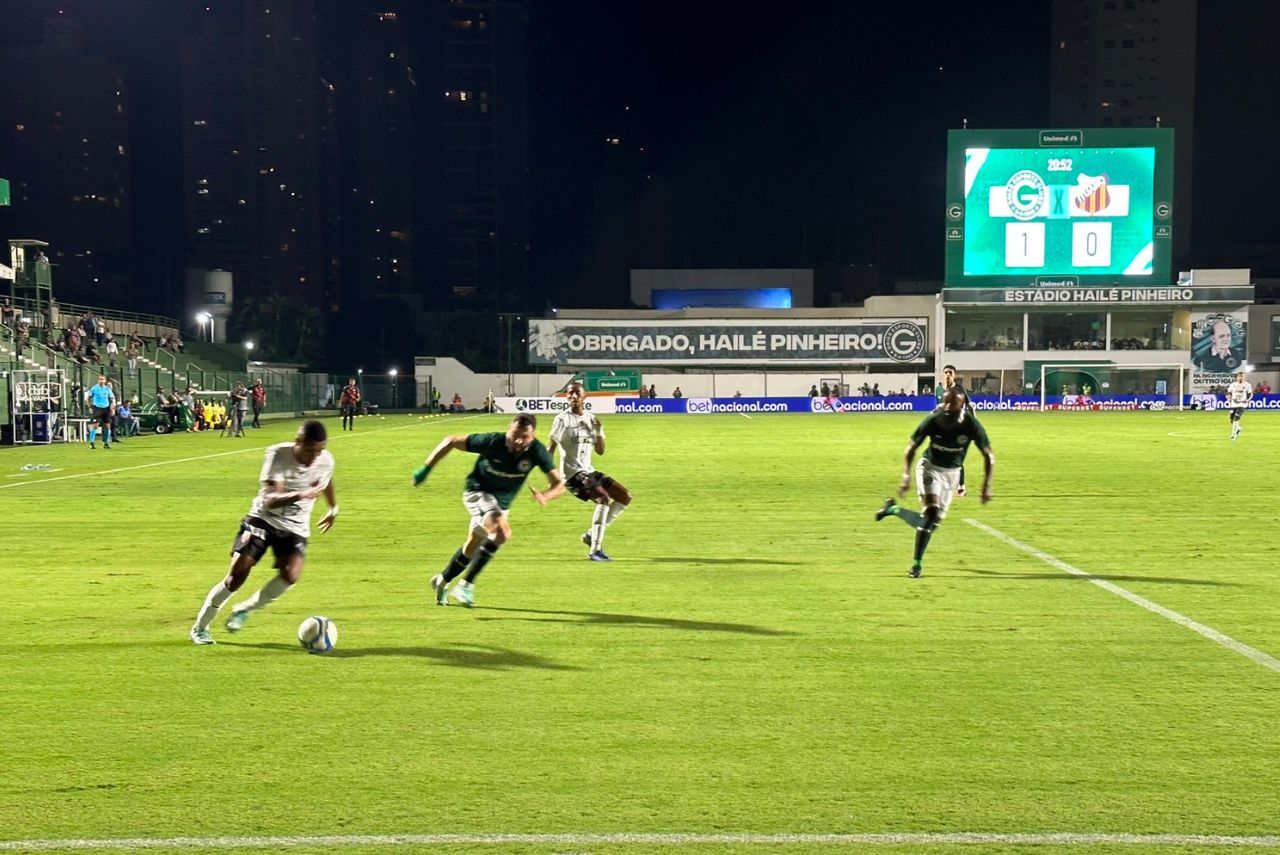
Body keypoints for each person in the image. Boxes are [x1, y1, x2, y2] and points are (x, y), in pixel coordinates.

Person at [189, 420, 338, 644]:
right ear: (297, 442)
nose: (315, 457)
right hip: (263, 519)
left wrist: (333, 507)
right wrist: (301, 494)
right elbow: (270, 500)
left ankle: (244, 609)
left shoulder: (325, 460)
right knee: (236, 576)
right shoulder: (278, 454)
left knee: (290, 575)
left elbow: (325, 479)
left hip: (295, 526)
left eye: (319, 451)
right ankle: (200, 628)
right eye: (310, 450)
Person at [412, 413, 564, 607]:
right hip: (478, 492)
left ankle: (442, 581)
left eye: (524, 437)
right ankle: (466, 585)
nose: (518, 441)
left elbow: (559, 484)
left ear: (532, 436)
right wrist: (424, 470)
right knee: (502, 532)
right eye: (514, 435)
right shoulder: (492, 441)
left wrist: (546, 495)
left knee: (472, 546)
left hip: (501, 504)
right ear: (508, 430)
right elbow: (450, 441)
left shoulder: (537, 451)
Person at [875, 387, 994, 578]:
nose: (947, 406)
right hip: (929, 467)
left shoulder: (971, 424)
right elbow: (911, 447)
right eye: (945, 402)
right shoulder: (934, 420)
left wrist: (986, 485)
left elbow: (989, 456)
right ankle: (916, 565)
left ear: (962, 405)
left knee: (931, 523)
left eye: (952, 403)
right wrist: (906, 476)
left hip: (952, 474)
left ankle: (893, 509)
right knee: (931, 512)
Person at [548, 382, 633, 561]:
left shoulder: (591, 419)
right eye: (570, 393)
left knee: (625, 496)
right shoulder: (562, 419)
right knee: (603, 499)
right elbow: (551, 447)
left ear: (585, 397)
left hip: (589, 470)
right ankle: (595, 549)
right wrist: (549, 474)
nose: (573, 397)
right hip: (572, 474)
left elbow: (600, 451)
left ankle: (590, 534)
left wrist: (599, 431)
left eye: (577, 393)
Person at [84, 373, 115, 449]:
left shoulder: (107, 389)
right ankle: (91, 442)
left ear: (105, 380)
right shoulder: (94, 388)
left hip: (106, 408)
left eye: (102, 379)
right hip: (97, 408)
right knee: (95, 425)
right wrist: (90, 407)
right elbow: (88, 398)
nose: (101, 380)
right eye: (100, 379)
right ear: (98, 380)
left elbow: (112, 399)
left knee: (107, 426)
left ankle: (106, 442)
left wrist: (112, 409)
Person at [1225, 371, 1253, 441]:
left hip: (1242, 404)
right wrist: (1229, 397)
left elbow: (1250, 394)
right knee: (1231, 419)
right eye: (1239, 376)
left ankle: (1233, 434)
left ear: (1244, 377)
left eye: (1242, 376)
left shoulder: (1247, 385)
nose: (1241, 378)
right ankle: (1238, 428)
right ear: (1237, 377)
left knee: (1236, 417)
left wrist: (1247, 400)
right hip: (1233, 404)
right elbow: (1229, 392)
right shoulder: (1233, 385)